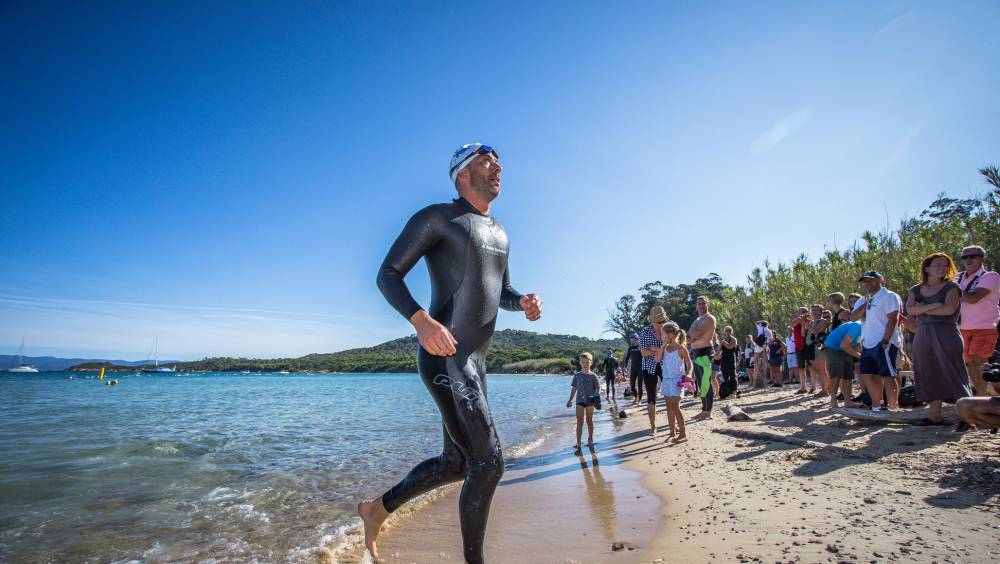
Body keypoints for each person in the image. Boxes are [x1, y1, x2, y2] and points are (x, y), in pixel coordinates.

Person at [359, 143, 543, 563]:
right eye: (486, 160)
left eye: (499, 161)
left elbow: (503, 292)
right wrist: (420, 320)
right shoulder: (438, 218)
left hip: (476, 364)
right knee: (489, 463)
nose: (498, 166)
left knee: (458, 463)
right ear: (462, 172)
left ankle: (376, 509)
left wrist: (524, 301)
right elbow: (388, 274)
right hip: (445, 356)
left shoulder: (500, 233)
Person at [906, 253, 973, 425]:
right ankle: (935, 416)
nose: (941, 268)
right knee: (928, 373)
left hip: (947, 331)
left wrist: (924, 308)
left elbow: (949, 310)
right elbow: (911, 310)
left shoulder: (952, 287)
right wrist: (935, 305)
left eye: (944, 265)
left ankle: (967, 417)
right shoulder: (915, 289)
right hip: (923, 333)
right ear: (927, 267)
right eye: (937, 264)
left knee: (954, 372)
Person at [852, 270, 903, 411]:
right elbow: (853, 317)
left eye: (871, 280)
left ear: (881, 280)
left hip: (884, 342)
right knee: (868, 375)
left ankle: (892, 407)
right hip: (867, 343)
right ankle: (876, 406)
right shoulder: (867, 299)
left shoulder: (889, 296)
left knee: (889, 375)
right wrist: (866, 302)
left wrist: (886, 341)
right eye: (865, 281)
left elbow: (893, 318)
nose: (868, 283)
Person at [957, 245, 1000, 398]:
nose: (968, 260)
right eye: (964, 257)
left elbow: (973, 298)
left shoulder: (990, 276)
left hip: (985, 327)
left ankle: (980, 405)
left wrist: (952, 291)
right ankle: (979, 400)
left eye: (973, 256)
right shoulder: (958, 277)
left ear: (983, 258)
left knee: (977, 364)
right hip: (962, 328)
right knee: (970, 367)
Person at [655, 322, 693, 443]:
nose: (661, 336)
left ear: (670, 334)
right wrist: (662, 345)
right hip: (666, 381)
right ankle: (672, 432)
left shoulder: (681, 348)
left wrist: (689, 374)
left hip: (677, 381)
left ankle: (683, 434)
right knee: (668, 407)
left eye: (663, 334)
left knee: (676, 406)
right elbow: (657, 359)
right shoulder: (665, 348)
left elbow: (689, 364)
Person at [639, 306, 668, 435]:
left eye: (663, 321)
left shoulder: (668, 330)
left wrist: (653, 348)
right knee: (651, 397)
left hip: (665, 365)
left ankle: (673, 424)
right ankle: (653, 426)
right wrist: (660, 349)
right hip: (649, 367)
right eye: (659, 322)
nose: (662, 324)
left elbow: (672, 347)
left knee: (670, 395)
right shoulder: (645, 331)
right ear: (653, 321)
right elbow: (644, 353)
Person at [688, 296, 718, 421]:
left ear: (708, 305)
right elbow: (689, 336)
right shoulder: (696, 320)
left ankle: (708, 412)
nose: (701, 305)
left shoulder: (710, 318)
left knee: (706, 382)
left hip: (705, 352)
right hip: (695, 352)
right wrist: (692, 337)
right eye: (699, 303)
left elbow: (695, 334)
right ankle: (704, 409)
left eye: (703, 303)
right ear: (696, 306)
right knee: (700, 382)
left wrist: (693, 337)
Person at [823, 320, 863, 408]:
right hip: (832, 347)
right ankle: (833, 400)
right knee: (836, 374)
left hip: (844, 347)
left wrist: (864, 354)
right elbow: (844, 345)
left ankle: (847, 401)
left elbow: (855, 345)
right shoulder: (857, 326)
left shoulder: (865, 329)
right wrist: (861, 357)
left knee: (848, 374)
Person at [567, 352, 601, 450]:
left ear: (591, 363)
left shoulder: (593, 376)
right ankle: (578, 442)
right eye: (583, 362)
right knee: (580, 421)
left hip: (590, 400)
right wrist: (570, 400)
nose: (585, 364)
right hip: (579, 401)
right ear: (580, 363)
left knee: (589, 420)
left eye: (587, 362)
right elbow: (574, 388)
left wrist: (595, 398)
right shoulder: (577, 375)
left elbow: (597, 388)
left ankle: (590, 438)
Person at [805, 304, 831, 396]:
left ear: (821, 311)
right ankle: (823, 388)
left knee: (822, 370)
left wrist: (807, 325)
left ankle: (825, 391)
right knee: (815, 369)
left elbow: (815, 331)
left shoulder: (823, 321)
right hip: (811, 348)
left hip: (819, 347)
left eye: (816, 310)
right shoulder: (811, 322)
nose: (814, 312)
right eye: (812, 310)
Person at [789, 307, 810, 393]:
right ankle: (803, 387)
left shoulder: (809, 321)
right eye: (801, 312)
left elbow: (804, 334)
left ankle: (813, 387)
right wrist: (800, 320)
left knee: (813, 367)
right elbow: (791, 325)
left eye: (804, 312)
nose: (802, 313)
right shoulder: (797, 321)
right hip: (798, 347)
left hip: (808, 346)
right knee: (801, 368)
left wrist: (803, 322)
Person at [718, 326, 741, 399]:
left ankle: (734, 392)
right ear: (725, 332)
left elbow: (730, 347)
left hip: (731, 359)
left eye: (730, 330)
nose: (729, 332)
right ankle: (727, 392)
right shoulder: (723, 340)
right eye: (727, 330)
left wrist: (722, 341)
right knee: (725, 377)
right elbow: (718, 351)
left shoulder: (734, 339)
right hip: (723, 360)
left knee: (732, 376)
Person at [623, 334, 643, 406]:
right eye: (631, 339)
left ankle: (640, 400)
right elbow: (627, 358)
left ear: (637, 339)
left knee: (640, 385)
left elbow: (645, 356)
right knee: (632, 385)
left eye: (633, 339)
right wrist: (625, 367)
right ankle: (636, 397)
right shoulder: (630, 348)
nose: (632, 340)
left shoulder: (641, 347)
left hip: (641, 368)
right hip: (633, 368)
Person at [753, 321, 773, 389]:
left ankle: (757, 370)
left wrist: (760, 322)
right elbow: (771, 340)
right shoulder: (769, 331)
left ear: (761, 324)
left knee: (755, 358)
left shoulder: (760, 327)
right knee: (765, 359)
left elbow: (755, 323)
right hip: (765, 345)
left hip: (759, 345)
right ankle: (764, 371)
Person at [785, 327, 801, 391]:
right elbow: (787, 347)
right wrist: (786, 353)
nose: (789, 331)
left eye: (791, 330)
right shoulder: (786, 338)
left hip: (794, 353)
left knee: (795, 367)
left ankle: (797, 379)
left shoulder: (795, 337)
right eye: (788, 330)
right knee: (790, 368)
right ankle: (790, 380)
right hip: (789, 354)